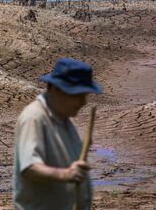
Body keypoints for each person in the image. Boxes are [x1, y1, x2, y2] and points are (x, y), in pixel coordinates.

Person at [13, 58, 102, 210]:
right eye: (78, 95)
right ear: (56, 90)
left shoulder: (65, 120)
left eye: (85, 95)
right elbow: (30, 168)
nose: (83, 102)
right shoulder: (34, 117)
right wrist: (65, 174)